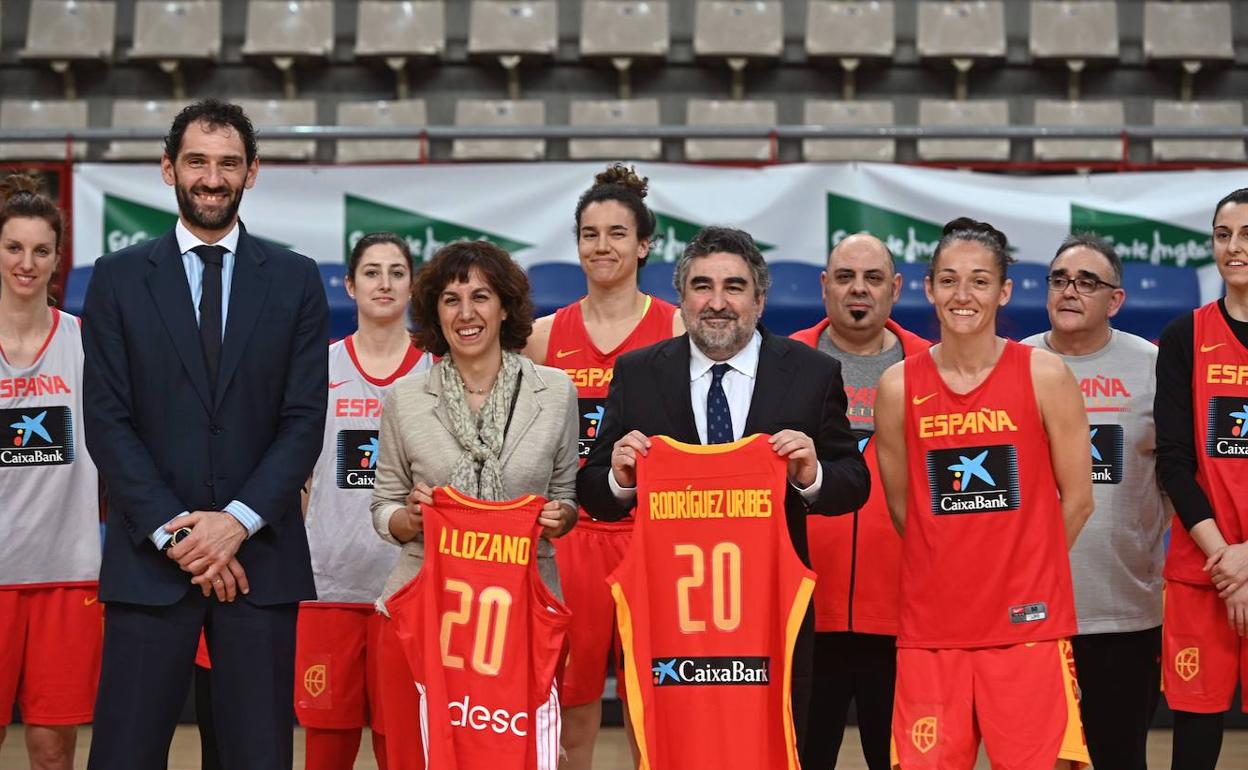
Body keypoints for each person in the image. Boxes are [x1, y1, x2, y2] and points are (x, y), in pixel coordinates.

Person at [82, 99, 329, 770]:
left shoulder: (297, 279)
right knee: (125, 758)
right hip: (150, 565)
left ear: (252, 171)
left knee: (255, 758)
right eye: (197, 162)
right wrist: (179, 531)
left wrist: (236, 524)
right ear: (169, 170)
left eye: (228, 164)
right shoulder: (117, 279)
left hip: (260, 565)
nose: (212, 178)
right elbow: (107, 421)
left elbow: (303, 421)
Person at [576, 225, 871, 748]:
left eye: (734, 287)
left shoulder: (811, 373)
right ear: (682, 297)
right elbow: (592, 490)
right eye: (701, 286)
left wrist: (811, 474)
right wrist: (620, 478)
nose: (717, 302)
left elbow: (854, 482)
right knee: (678, 747)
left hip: (771, 615)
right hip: (670, 616)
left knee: (771, 746)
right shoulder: (639, 373)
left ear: (759, 299)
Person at [874, 218, 1092, 769]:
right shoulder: (898, 386)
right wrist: (956, 565)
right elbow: (906, 509)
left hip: (1027, 629)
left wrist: (1023, 567)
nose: (962, 295)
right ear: (928, 288)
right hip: (932, 629)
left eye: (978, 280)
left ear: (1004, 290)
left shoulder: (1045, 374)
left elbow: (1080, 498)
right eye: (948, 280)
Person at [369, 239, 579, 770]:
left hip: (525, 612)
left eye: (480, 296)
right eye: (450, 299)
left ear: (505, 306)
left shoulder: (555, 391)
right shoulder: (405, 398)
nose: (466, 313)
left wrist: (560, 517)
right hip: (424, 608)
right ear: (434, 314)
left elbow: (566, 500)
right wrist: (408, 519)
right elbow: (383, 505)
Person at [522, 163, 682, 769]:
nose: (603, 246)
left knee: (652, 704)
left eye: (618, 233)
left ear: (643, 244)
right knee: (572, 706)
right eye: (591, 234)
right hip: (572, 540)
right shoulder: (541, 337)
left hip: (653, 538)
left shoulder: (677, 326)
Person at [1021, 234, 1166, 770]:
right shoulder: (1015, 363)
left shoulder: (1153, 366)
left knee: (1119, 756)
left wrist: (1140, 537)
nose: (1069, 291)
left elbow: (1175, 474)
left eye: (1087, 282)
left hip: (1122, 612)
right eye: (1059, 279)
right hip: (1032, 614)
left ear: (1116, 299)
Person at [790, 233, 929, 770]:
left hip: (903, 618)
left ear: (894, 289)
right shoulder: (783, 362)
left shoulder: (932, 367)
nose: (859, 289)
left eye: (873, 279)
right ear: (825, 287)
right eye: (845, 277)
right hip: (805, 615)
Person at [296, 233, 433, 770]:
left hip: (408, 593)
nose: (385, 283)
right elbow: (297, 475)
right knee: (327, 751)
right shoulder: (317, 368)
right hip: (329, 585)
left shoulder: (436, 373)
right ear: (350, 285)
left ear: (413, 285)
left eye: (397, 272)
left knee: (403, 750)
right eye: (372, 272)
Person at [0, 174, 101, 770]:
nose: (27, 263)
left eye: (41, 250)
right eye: (14, 247)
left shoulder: (85, 344)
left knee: (51, 749)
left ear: (59, 259)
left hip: (67, 575)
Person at [1155, 187, 1248, 770]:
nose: (1234, 248)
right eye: (1223, 235)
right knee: (1195, 738)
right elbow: (1173, 461)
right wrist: (1229, 565)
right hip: (1203, 572)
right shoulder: (1184, 336)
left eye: (1247, 237)